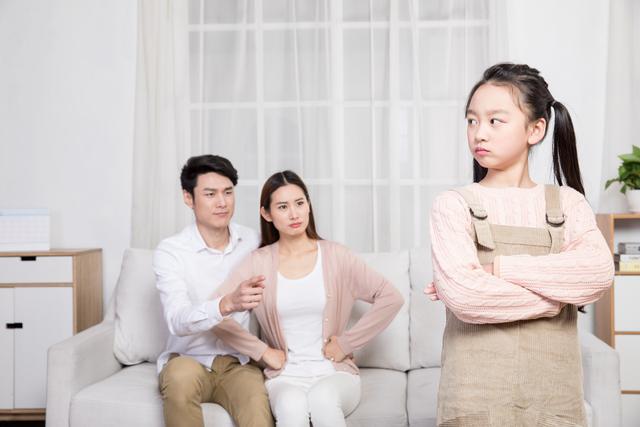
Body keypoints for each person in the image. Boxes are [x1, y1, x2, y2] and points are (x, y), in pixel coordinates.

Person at [425, 63, 614, 426]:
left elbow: (598, 274)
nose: (479, 132)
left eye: (495, 120)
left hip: (554, 402)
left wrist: (498, 268)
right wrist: (558, 298)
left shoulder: (568, 203)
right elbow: (467, 297)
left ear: (535, 129)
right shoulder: (453, 204)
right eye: (471, 120)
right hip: (474, 401)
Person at [211, 170, 404, 427]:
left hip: (335, 374)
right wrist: (262, 351)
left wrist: (346, 343)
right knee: (291, 406)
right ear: (267, 214)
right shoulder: (258, 263)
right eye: (283, 207)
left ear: (309, 206)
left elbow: (391, 298)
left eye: (300, 203)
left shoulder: (337, 256)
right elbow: (212, 313)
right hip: (284, 377)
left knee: (322, 399)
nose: (294, 214)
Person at [153, 154, 275, 427]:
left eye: (228, 192)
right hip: (188, 359)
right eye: (210, 194)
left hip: (237, 364)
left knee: (257, 406)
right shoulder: (171, 251)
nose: (222, 202)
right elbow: (177, 320)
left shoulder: (253, 241)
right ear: (188, 198)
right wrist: (226, 303)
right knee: (180, 381)